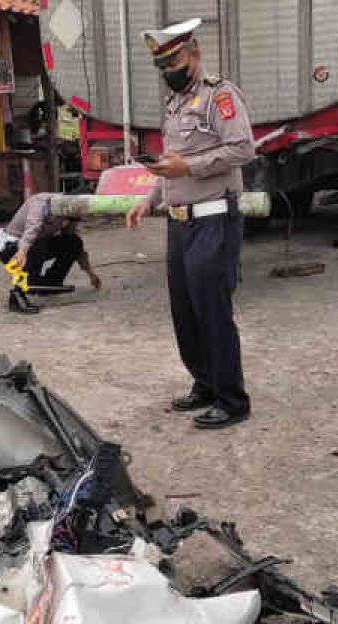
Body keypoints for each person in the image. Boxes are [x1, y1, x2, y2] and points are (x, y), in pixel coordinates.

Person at [126, 18, 255, 431]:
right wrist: (148, 199)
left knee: (212, 310)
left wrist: (191, 165)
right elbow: (171, 164)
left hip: (214, 219)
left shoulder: (220, 95)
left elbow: (242, 148)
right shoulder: (175, 104)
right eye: (163, 65)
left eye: (175, 60)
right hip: (179, 224)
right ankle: (204, 383)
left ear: (194, 52)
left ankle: (232, 399)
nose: (170, 71)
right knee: (185, 311)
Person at [0, 192, 100, 314]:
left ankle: (50, 283)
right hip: (12, 248)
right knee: (37, 240)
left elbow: (78, 251)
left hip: (35, 245)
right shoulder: (41, 203)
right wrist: (22, 251)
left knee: (73, 242)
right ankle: (16, 296)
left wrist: (91, 273)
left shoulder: (70, 214)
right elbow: (31, 229)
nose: (66, 223)